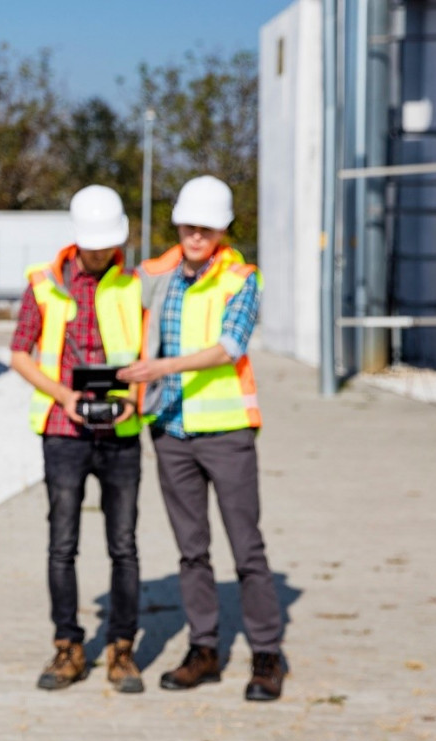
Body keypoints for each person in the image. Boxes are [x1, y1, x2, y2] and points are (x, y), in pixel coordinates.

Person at [117, 175, 286, 702]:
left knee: (247, 549)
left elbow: (230, 346)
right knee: (191, 552)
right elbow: (117, 307)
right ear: (179, 225)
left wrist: (162, 366)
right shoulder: (154, 274)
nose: (195, 235)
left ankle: (266, 654)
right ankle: (204, 649)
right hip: (170, 429)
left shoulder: (240, 279)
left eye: (206, 227)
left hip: (227, 431)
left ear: (223, 229)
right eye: (189, 225)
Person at [9, 185, 145, 695]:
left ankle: (122, 649)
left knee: (124, 545)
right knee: (62, 544)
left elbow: (150, 353)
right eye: (92, 243)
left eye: (107, 243)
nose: (99, 252)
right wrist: (63, 395)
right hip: (64, 432)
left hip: (122, 433)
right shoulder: (43, 284)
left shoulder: (137, 284)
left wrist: (135, 394)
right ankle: (68, 645)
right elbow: (20, 353)